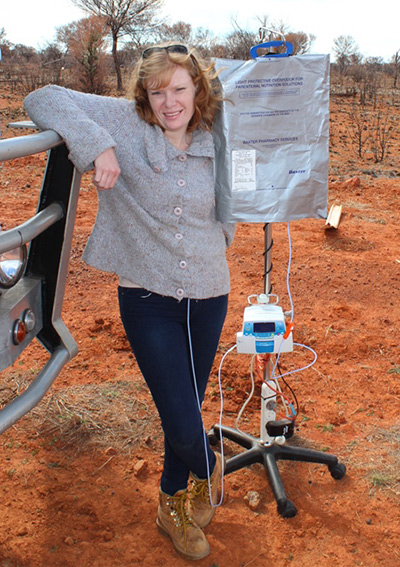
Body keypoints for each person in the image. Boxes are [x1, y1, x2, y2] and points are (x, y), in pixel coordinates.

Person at [24, 44, 235, 561]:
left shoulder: (218, 129)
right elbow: (42, 96)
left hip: (210, 294)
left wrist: (218, 241)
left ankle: (171, 505)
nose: (169, 102)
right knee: (186, 423)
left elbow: (235, 195)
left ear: (198, 90)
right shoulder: (123, 120)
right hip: (147, 297)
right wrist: (98, 146)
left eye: (180, 89)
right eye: (157, 91)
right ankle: (210, 471)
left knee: (180, 409)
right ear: (144, 94)